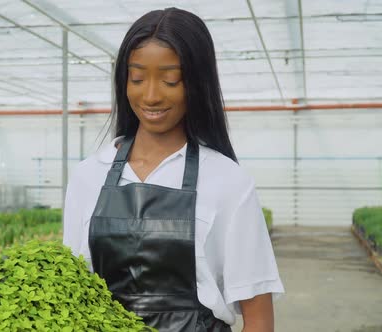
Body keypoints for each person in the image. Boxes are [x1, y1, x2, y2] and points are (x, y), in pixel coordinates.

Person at [63, 7, 284, 332]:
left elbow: (258, 317)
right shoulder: (88, 176)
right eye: (137, 78)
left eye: (170, 80)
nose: (151, 96)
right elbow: (70, 293)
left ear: (197, 83)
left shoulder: (228, 182)